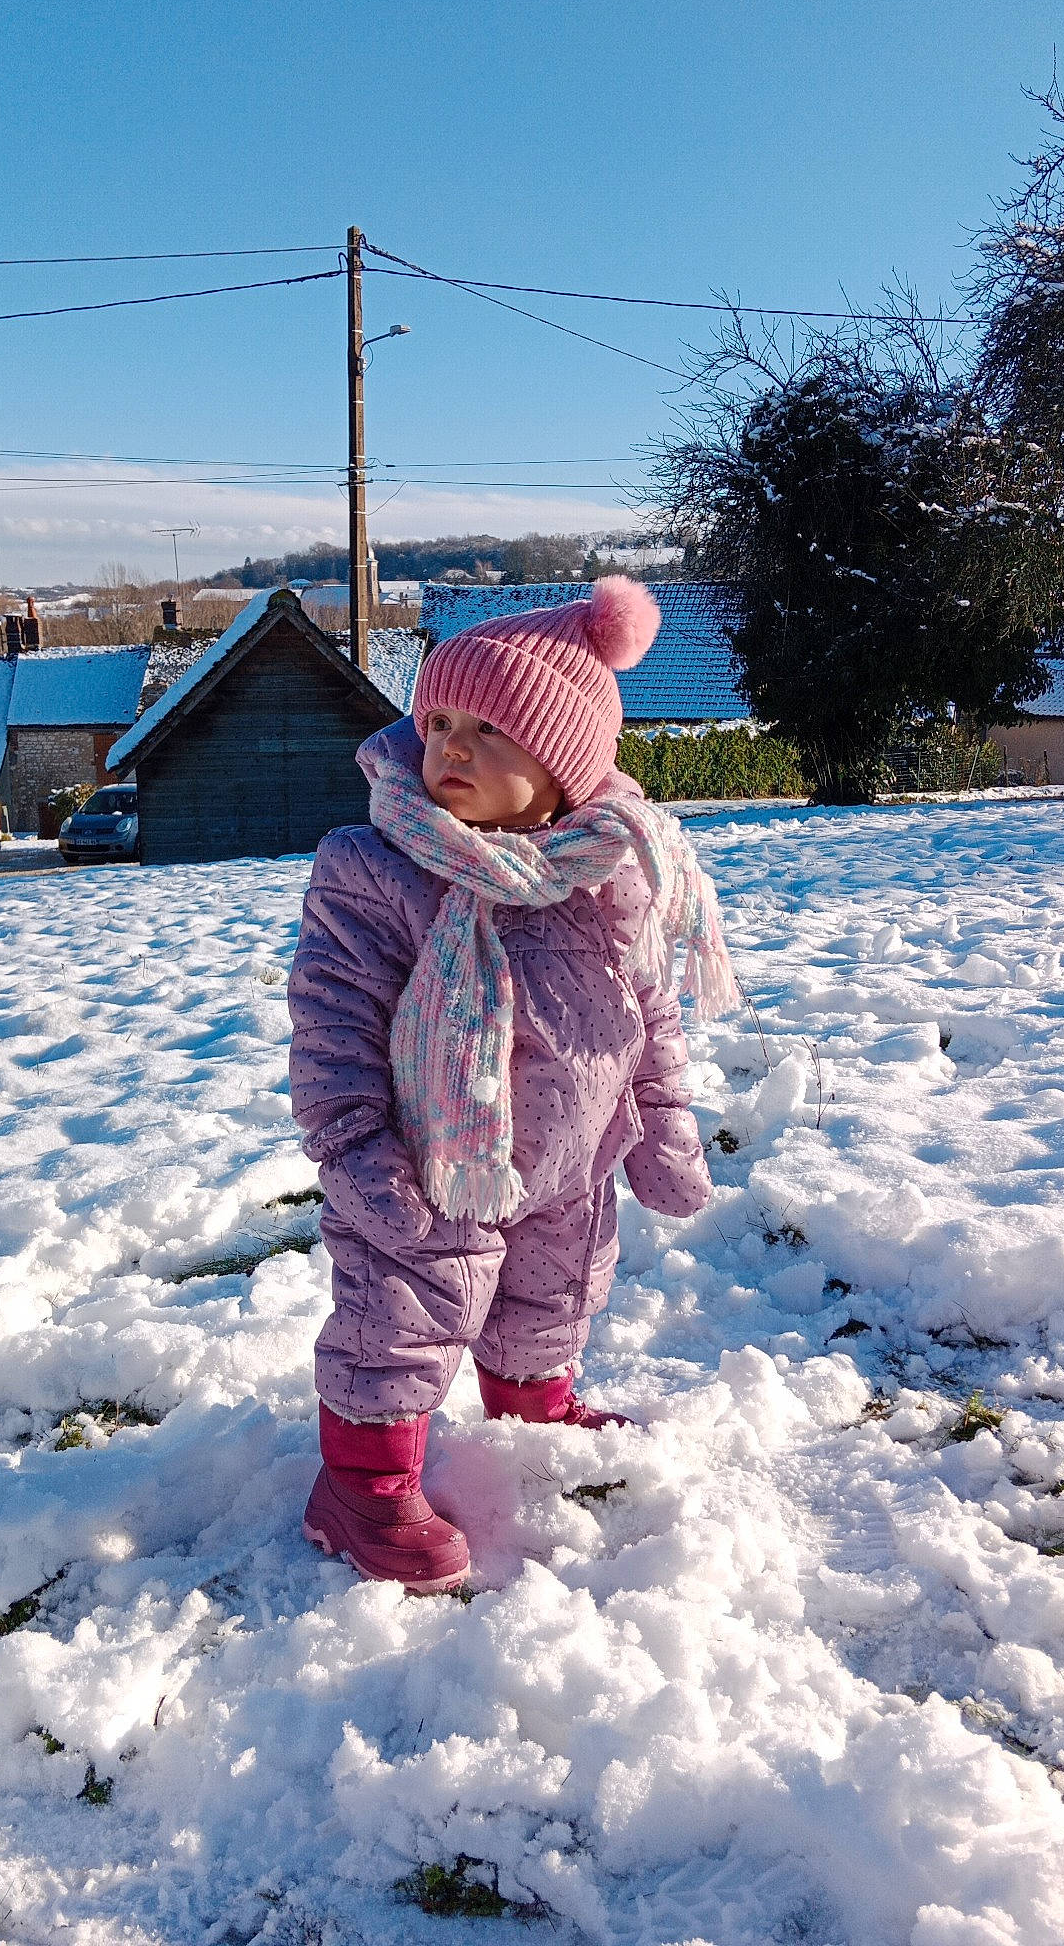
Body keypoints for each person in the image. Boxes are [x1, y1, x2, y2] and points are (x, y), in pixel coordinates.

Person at [287, 575, 737, 1591]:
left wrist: (663, 1121)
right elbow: (333, 1018)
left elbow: (646, 1009)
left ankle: (535, 1406)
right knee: (404, 1306)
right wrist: (356, 1145)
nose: (446, 746)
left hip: (573, 1157)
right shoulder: (377, 865)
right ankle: (361, 1479)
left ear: (563, 765)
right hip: (429, 1153)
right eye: (437, 718)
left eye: (487, 730)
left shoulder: (616, 868)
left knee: (555, 1289)